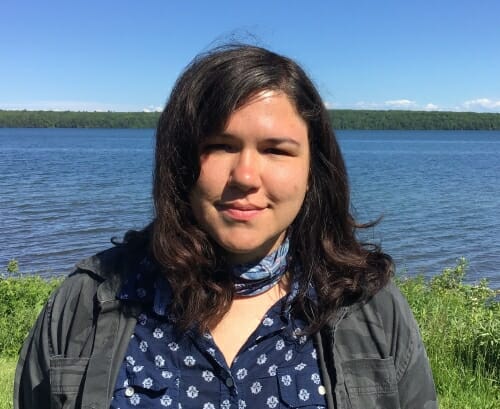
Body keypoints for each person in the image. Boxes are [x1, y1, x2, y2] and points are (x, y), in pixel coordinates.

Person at [14, 44, 437, 409]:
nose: (246, 176)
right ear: (180, 162)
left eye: (276, 150)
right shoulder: (91, 301)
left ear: (313, 171)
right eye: (220, 146)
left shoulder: (367, 307)